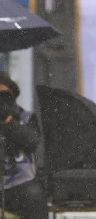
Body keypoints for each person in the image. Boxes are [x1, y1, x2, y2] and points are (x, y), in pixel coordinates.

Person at [0, 72, 47, 219]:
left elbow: (31, 141)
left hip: (22, 186)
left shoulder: (25, 118)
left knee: (34, 195)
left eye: (5, 95)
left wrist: (9, 123)